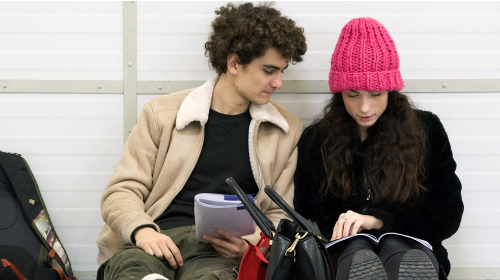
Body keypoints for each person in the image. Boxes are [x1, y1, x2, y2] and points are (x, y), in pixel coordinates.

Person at [96, 2, 307, 280]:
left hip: (216, 253)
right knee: (135, 274)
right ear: (234, 63)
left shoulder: (285, 130)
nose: (278, 82)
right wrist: (142, 230)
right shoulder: (162, 114)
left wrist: (250, 244)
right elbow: (122, 191)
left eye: (282, 71)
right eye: (269, 70)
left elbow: (280, 214)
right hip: (154, 239)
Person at [294, 17, 463, 280]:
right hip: (342, 251)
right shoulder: (316, 139)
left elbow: (448, 212)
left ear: (391, 90)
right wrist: (350, 229)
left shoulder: (426, 129)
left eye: (376, 94)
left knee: (400, 253)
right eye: (352, 94)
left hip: (412, 243)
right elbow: (306, 218)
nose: (364, 107)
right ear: (339, 93)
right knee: (356, 253)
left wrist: (379, 219)